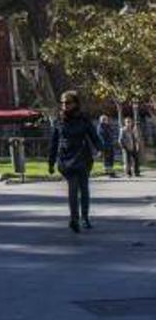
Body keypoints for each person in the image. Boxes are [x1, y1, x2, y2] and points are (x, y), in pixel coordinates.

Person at [48, 91, 103, 233]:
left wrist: (100, 149)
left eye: (68, 102)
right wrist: (50, 162)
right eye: (63, 103)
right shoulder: (58, 121)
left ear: (75, 103)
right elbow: (53, 143)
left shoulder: (84, 119)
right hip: (66, 158)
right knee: (72, 188)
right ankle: (74, 219)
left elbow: (94, 136)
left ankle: (84, 217)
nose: (65, 105)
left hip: (83, 157)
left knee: (84, 188)